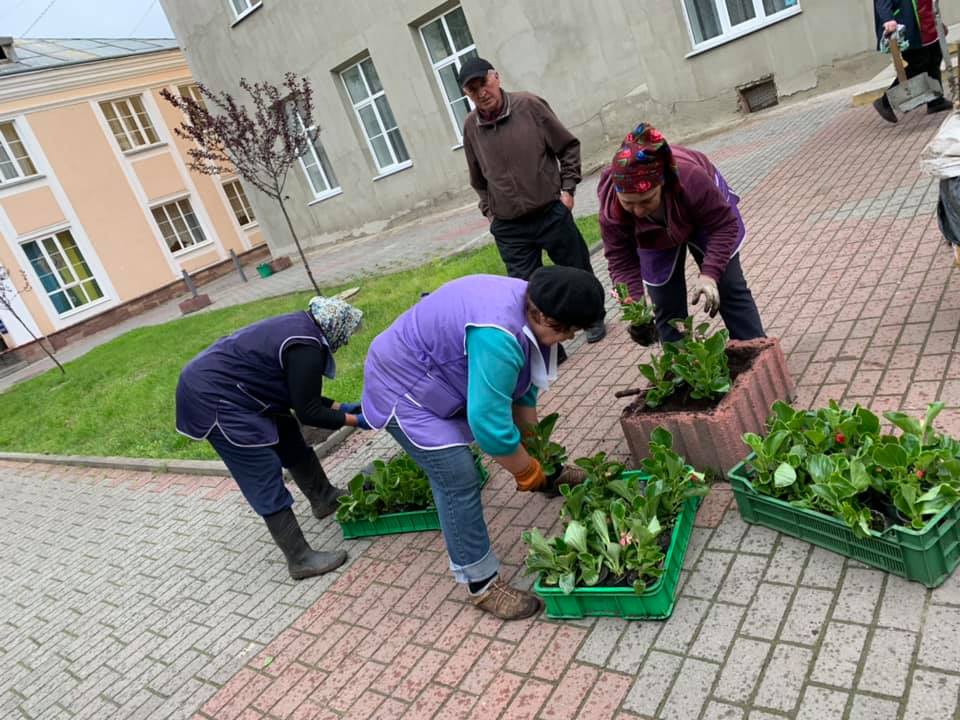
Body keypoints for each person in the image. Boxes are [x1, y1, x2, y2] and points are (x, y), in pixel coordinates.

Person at [360, 266, 605, 620]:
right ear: (540, 314)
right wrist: (524, 471)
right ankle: (482, 583)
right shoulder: (498, 334)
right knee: (457, 478)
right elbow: (489, 425)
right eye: (564, 330)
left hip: (436, 369)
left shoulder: (536, 300)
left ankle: (550, 480)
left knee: (507, 446)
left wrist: (537, 456)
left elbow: (523, 388)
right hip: (401, 383)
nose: (567, 338)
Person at [175, 297, 367, 580]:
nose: (347, 341)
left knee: (287, 434)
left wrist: (340, 407)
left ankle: (324, 499)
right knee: (261, 469)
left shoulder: (303, 329)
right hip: (214, 402)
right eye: (347, 335)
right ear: (335, 328)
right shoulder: (306, 347)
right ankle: (300, 559)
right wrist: (357, 421)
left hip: (237, 390)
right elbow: (309, 411)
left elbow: (299, 392)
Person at [459, 56, 606, 344]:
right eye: (472, 89)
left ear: (496, 77)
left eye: (483, 83)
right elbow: (477, 177)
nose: (481, 93)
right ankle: (548, 346)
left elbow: (567, 147)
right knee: (524, 290)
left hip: (550, 210)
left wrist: (568, 189)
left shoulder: (529, 106)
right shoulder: (470, 127)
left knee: (576, 268)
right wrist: (490, 213)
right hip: (509, 226)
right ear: (467, 94)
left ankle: (592, 319)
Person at [599, 123, 765, 344]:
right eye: (629, 203)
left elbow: (724, 226)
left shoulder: (691, 179)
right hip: (652, 238)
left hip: (704, 219)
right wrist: (635, 307)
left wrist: (709, 274)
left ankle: (755, 350)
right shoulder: (611, 210)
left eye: (647, 200)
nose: (638, 211)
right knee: (665, 306)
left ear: (663, 184)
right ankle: (683, 372)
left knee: (728, 287)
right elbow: (622, 262)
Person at [873, 0, 952, 123]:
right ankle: (885, 102)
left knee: (935, 55)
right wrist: (887, 18)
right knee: (917, 64)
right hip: (909, 22)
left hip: (927, 20)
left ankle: (935, 100)